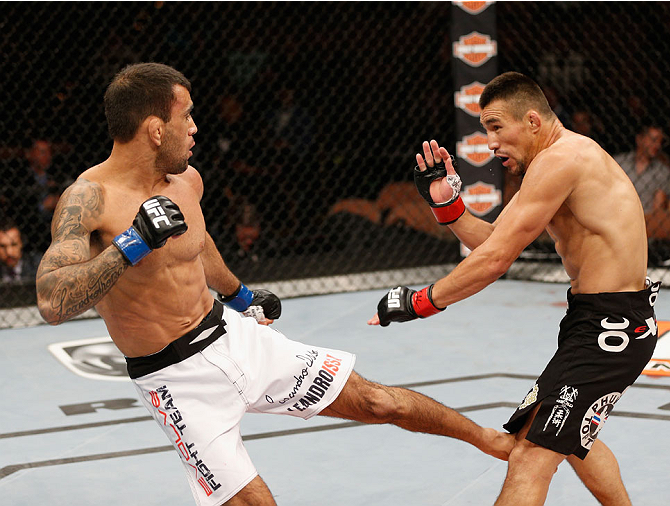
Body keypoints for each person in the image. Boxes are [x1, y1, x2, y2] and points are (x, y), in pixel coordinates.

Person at [35, 63, 512, 506]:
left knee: (378, 400)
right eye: (187, 116)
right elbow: (51, 300)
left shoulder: (186, 182)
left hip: (232, 335)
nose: (195, 128)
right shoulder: (89, 198)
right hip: (175, 379)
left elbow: (198, 246)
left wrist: (239, 294)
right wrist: (130, 244)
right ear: (156, 130)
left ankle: (487, 438)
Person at [370, 72, 660, 506]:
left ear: (532, 121)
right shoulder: (558, 160)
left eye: (495, 127)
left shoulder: (562, 160)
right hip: (598, 319)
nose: (490, 143)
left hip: (611, 328)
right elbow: (495, 242)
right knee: (570, 439)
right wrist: (445, 204)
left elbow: (494, 262)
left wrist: (421, 302)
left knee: (528, 456)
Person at [614, 124, 670, 215]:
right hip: (616, 214)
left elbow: (658, 208)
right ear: (639, 140)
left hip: (645, 220)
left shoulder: (661, 171)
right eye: (653, 140)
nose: (657, 145)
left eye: (660, 142)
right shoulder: (619, 163)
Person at [0, 218, 40, 282]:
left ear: (21, 243)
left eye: (14, 245)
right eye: (2, 246)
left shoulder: (37, 266)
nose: (9, 252)